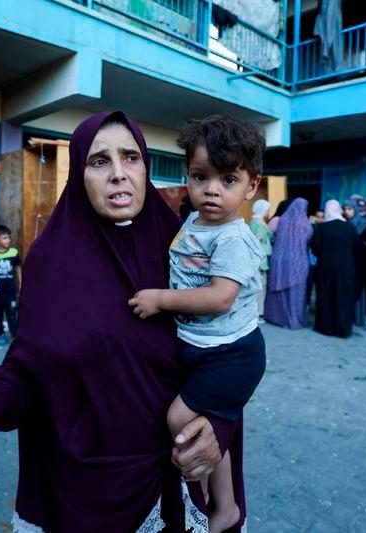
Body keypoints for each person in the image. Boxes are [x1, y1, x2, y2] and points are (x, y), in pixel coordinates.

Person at [0, 112, 242, 532]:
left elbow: (232, 351)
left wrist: (215, 424)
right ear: (78, 176)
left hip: (184, 477)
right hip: (88, 485)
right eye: (99, 161)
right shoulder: (52, 263)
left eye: (130, 157)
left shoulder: (191, 251)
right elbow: (27, 373)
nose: (119, 174)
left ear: (146, 166)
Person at [129, 115, 266, 532]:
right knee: (196, 423)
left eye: (228, 180)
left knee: (180, 419)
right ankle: (209, 497)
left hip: (232, 355)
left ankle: (216, 501)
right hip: (205, 349)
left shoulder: (233, 239)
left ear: (251, 186)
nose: (211, 190)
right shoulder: (193, 223)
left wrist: (160, 300)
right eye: (200, 176)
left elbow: (220, 298)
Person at [310, 200, 359, 338]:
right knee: (343, 297)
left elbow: (315, 246)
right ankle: (342, 329)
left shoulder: (322, 228)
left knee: (326, 296)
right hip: (345, 268)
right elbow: (356, 246)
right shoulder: (349, 227)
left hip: (325, 267)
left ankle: (325, 328)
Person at [264, 197, 313, 330]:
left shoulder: (282, 220)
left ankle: (277, 318)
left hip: (279, 259)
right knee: (296, 291)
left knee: (279, 289)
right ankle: (294, 319)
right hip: (298, 261)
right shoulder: (305, 224)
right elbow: (310, 240)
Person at [343, 199, 366, 323]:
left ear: (355, 210)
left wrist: (358, 244)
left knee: (357, 289)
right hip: (346, 261)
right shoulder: (343, 223)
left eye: (349, 209)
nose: (347, 212)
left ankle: (356, 317)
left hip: (359, 263)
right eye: (345, 209)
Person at [248, 198, 273, 319]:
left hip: (259, 259)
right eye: (267, 209)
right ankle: (258, 313)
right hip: (260, 260)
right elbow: (257, 242)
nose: (268, 212)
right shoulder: (258, 223)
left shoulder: (258, 221)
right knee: (260, 286)